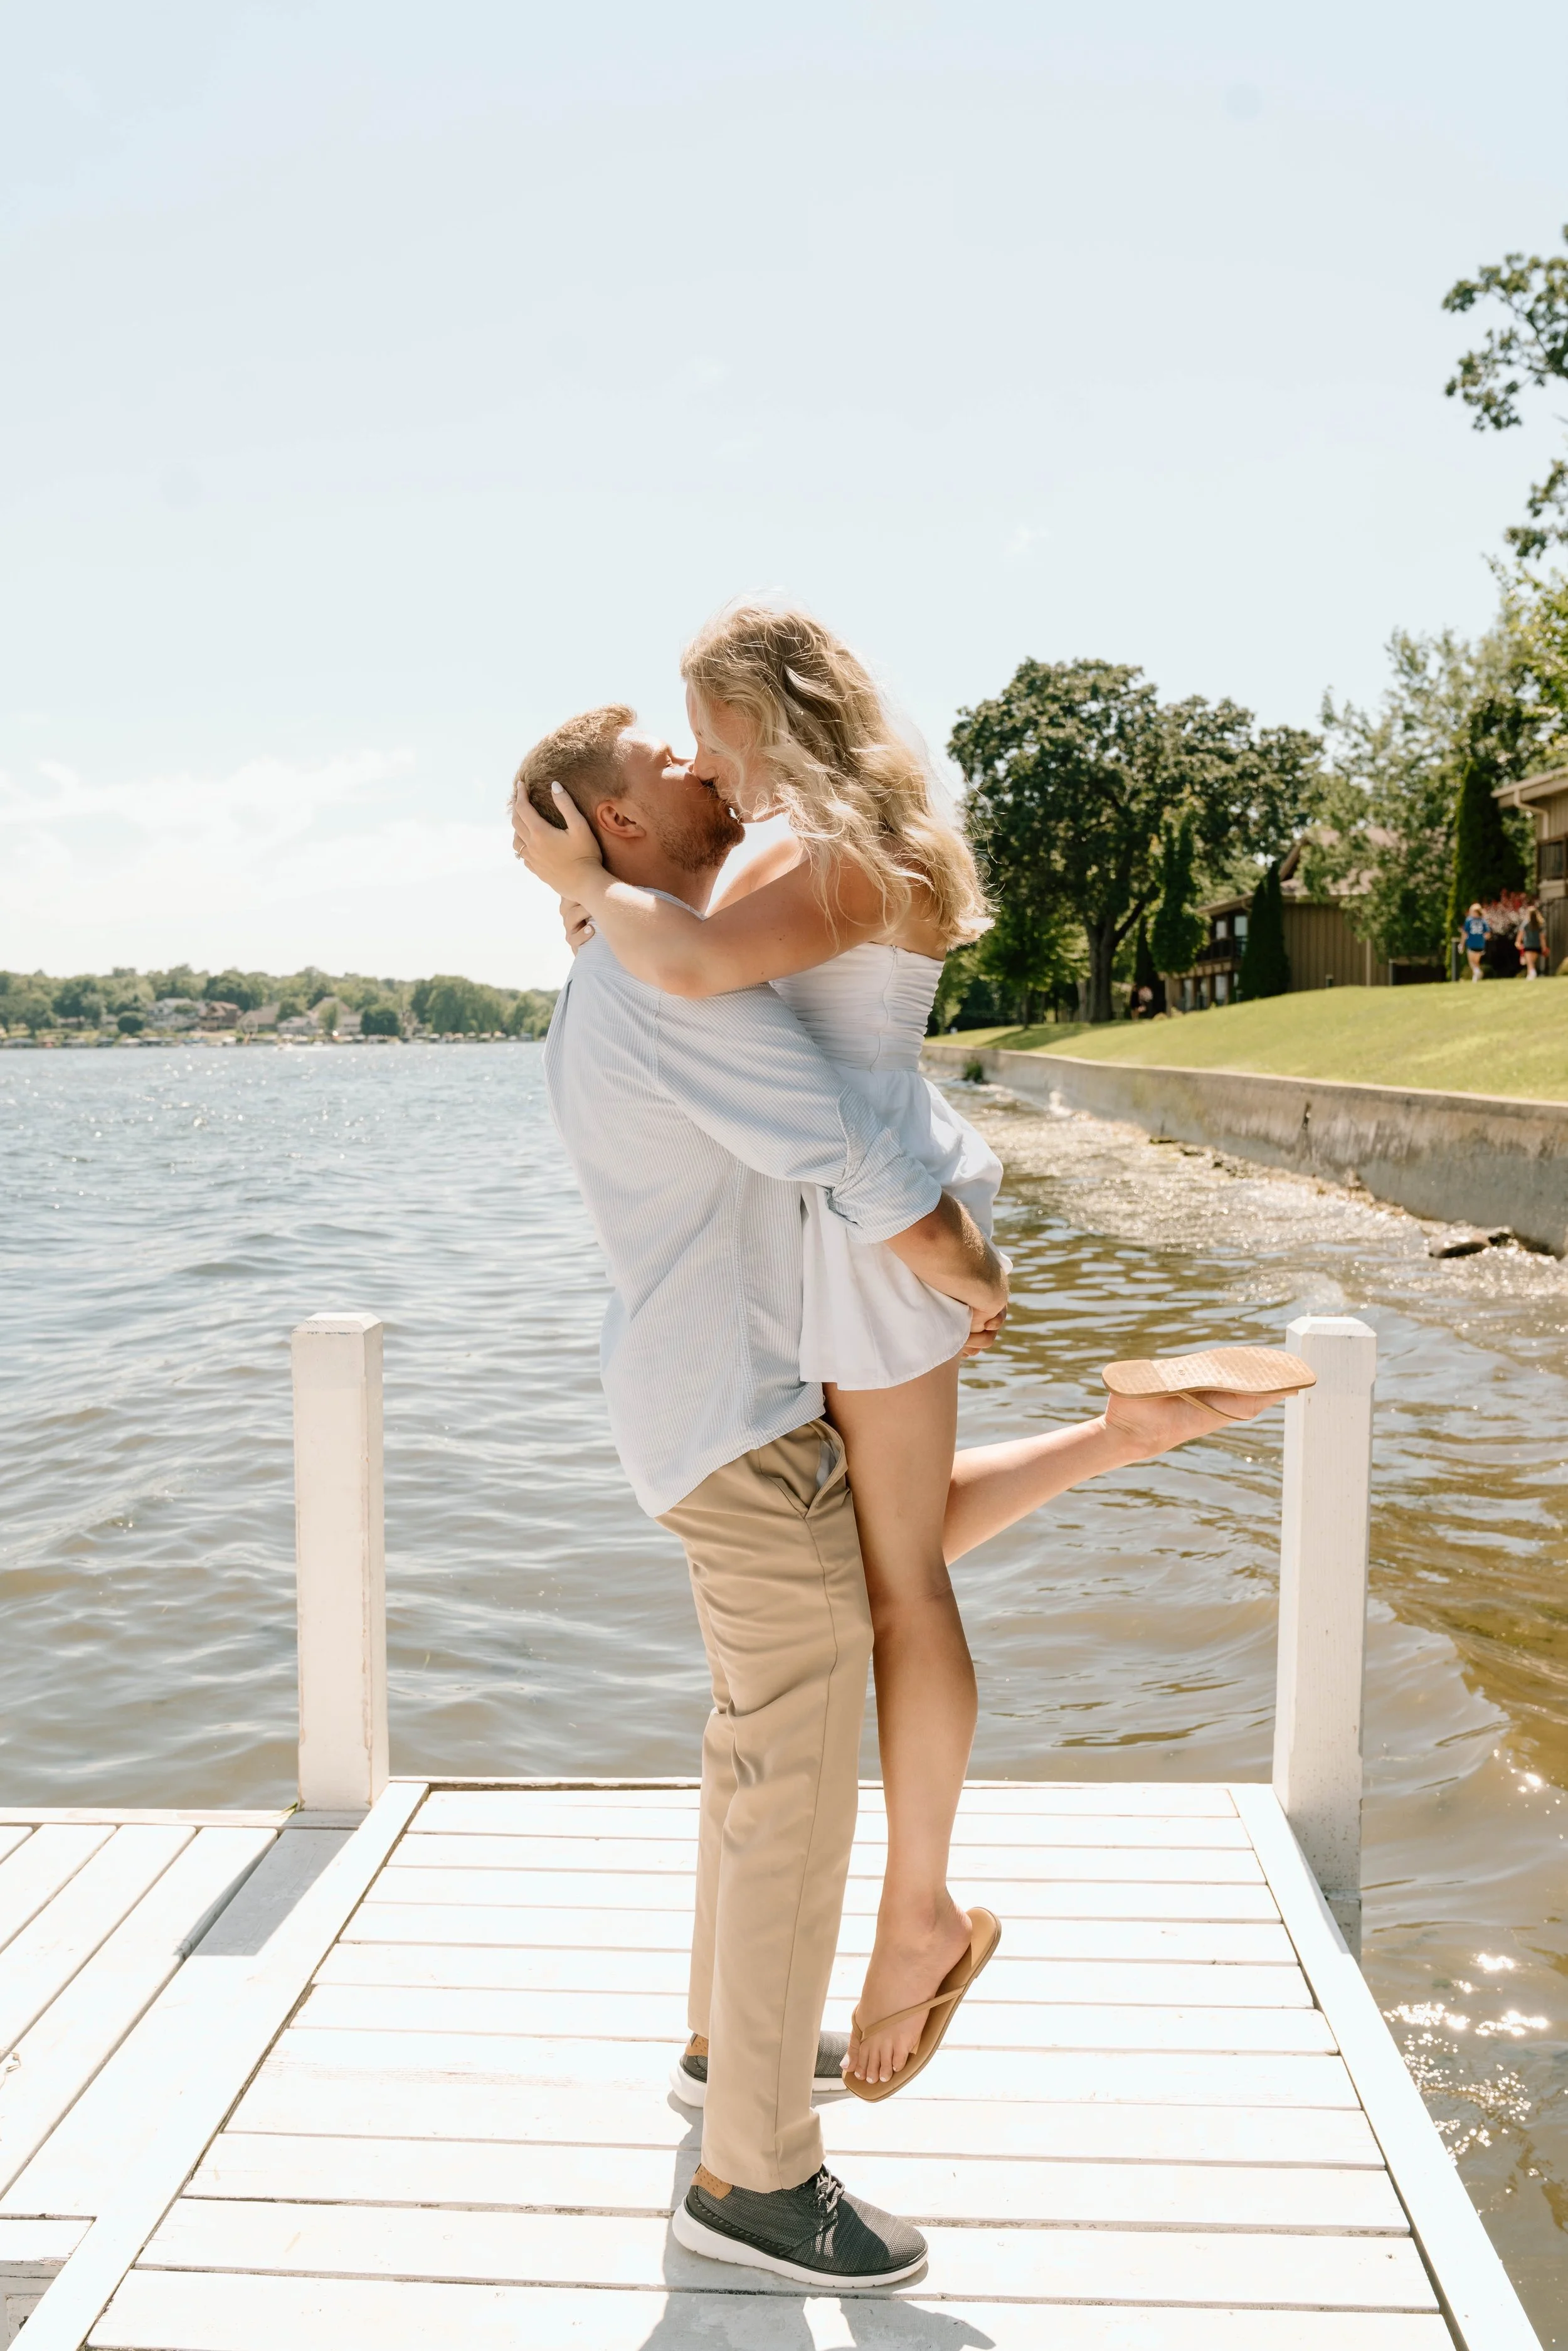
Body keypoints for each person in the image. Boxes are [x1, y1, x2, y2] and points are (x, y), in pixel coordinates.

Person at [512, 700, 1274, 2286]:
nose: (698, 769)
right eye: (666, 764)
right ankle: (753, 2187)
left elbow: (888, 1534)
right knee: (793, 1790)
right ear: (621, 825)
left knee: (760, 1747)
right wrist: (971, 1268)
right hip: (733, 1417)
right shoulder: (671, 988)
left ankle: (730, 2063)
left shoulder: (626, 954)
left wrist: (1101, 1439)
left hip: (706, 1415)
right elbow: (858, 1163)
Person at [1517, 901, 1545, 979]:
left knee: (1530, 962)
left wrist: (1518, 942)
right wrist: (1544, 947)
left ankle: (1532, 974)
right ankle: (1530, 975)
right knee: (1532, 962)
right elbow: (1542, 937)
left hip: (1528, 945)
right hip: (1537, 945)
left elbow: (1521, 934)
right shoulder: (1539, 924)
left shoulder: (1526, 923)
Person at [1461, 901, 1490, 981]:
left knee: (1471, 962)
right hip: (1481, 945)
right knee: (1477, 962)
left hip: (1471, 944)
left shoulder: (1469, 920)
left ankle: (1477, 971)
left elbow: (1465, 933)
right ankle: (1475, 978)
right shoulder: (1483, 921)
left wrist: (1462, 944)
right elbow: (1488, 934)